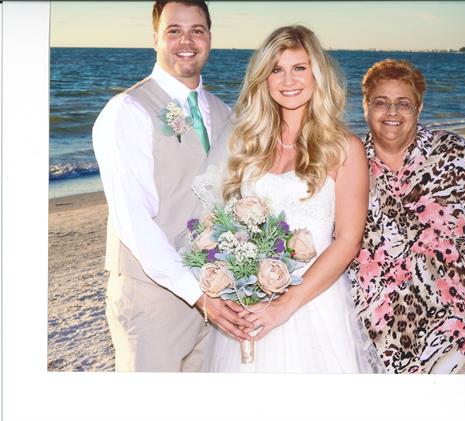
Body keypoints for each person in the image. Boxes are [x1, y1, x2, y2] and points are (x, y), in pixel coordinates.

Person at [200, 25, 384, 373]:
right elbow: (225, 223)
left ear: (317, 73)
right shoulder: (247, 144)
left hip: (313, 304)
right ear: (264, 79)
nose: (288, 79)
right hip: (250, 304)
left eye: (299, 67)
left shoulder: (345, 148)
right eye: (276, 69)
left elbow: (347, 241)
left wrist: (284, 305)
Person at [92, 0, 252, 372]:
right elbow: (134, 220)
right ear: (155, 39)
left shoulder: (222, 111)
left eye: (197, 30)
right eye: (173, 31)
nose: (187, 40)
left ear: (210, 38)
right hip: (153, 298)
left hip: (214, 293)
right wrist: (196, 293)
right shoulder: (126, 111)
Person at [348, 58, 465, 374]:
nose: (392, 112)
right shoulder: (347, 163)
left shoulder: (454, 152)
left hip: (458, 326)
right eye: (381, 102)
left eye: (403, 103)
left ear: (419, 109)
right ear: (365, 106)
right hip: (376, 330)